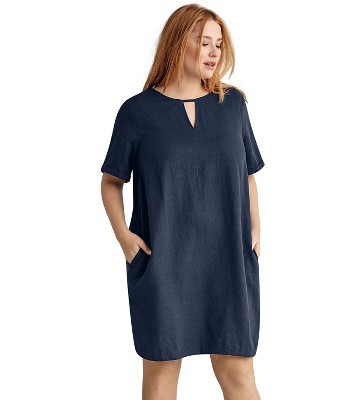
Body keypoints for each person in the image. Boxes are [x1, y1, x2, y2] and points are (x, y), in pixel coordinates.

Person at [100, 4, 265, 399]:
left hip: (227, 258)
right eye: (204, 42)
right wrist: (124, 237)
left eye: (218, 44)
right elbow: (111, 182)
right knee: (161, 372)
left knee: (237, 371)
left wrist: (255, 230)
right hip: (163, 261)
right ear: (178, 44)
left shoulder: (233, 106)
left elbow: (248, 173)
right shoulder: (137, 112)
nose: (214, 52)